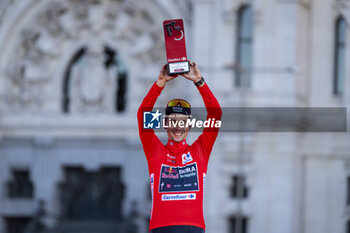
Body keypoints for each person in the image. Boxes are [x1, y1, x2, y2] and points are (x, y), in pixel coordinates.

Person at [137, 61, 222, 233]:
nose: (177, 127)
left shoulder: (200, 149)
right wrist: (160, 83)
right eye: (173, 121)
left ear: (190, 125)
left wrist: (199, 82)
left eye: (182, 122)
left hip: (193, 228)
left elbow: (215, 113)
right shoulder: (154, 149)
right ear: (165, 124)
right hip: (161, 228)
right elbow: (143, 114)